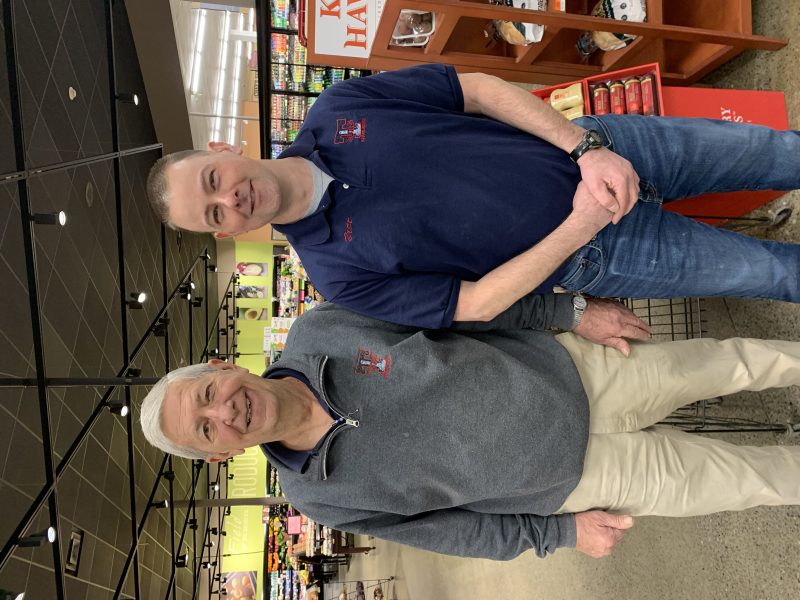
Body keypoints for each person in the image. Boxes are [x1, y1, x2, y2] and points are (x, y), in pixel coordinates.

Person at [140, 294, 800, 560]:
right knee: (749, 482)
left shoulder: (322, 328)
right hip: (579, 481)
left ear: (222, 365)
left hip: (578, 371)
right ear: (219, 455)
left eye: (207, 393)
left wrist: (568, 312)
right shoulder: (317, 497)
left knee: (736, 362)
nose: (223, 411)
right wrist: (561, 534)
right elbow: (453, 531)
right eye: (205, 429)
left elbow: (464, 306)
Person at [147, 64, 800, 329]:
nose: (230, 199)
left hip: (611, 145)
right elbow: (474, 303)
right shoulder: (337, 276)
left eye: (212, 181)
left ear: (224, 152)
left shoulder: (340, 105)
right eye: (213, 215)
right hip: (603, 251)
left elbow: (480, 90)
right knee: (772, 273)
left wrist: (583, 149)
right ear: (223, 232)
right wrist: (579, 229)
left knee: (780, 153)